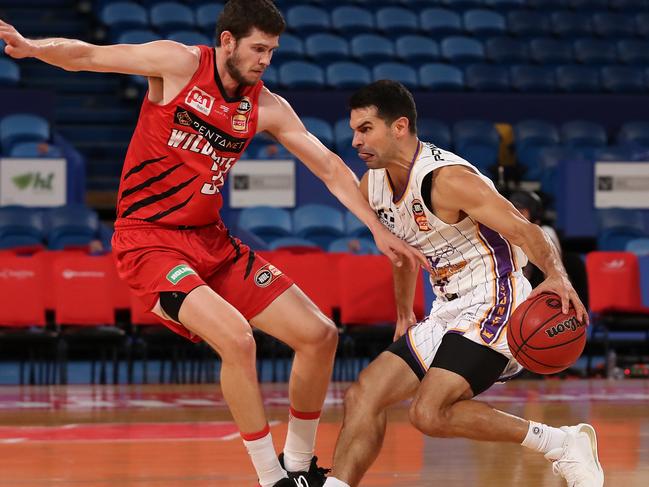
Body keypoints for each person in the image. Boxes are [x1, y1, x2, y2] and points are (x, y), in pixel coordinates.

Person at [0, 4, 427, 486]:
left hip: (212, 241)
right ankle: (271, 478)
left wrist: (376, 227)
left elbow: (329, 166)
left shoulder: (266, 106)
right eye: (258, 49)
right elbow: (90, 57)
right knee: (237, 338)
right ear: (228, 41)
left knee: (319, 335)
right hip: (149, 243)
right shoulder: (178, 64)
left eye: (272, 51)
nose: (266, 59)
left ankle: (300, 463)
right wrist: (36, 48)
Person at [321, 80, 603, 487]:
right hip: (447, 306)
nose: (355, 141)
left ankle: (561, 443)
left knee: (428, 413)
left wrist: (557, 276)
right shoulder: (374, 185)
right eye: (354, 130)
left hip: (495, 297)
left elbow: (527, 231)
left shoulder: (447, 178)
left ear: (399, 127)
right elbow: (403, 253)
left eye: (365, 129)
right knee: (363, 395)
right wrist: (404, 312)